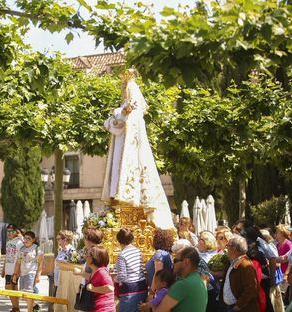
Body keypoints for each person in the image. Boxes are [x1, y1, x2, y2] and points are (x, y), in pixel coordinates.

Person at [101, 68, 174, 229]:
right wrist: (117, 119)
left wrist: (120, 118)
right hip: (119, 148)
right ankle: (117, 199)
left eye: (125, 87)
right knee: (116, 176)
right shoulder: (122, 109)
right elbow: (112, 125)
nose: (123, 90)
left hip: (129, 151)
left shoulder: (133, 111)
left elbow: (121, 125)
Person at [154, 247, 208, 312]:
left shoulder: (183, 284)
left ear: (186, 262)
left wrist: (150, 305)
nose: (173, 264)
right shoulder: (199, 280)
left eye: (175, 261)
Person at [220, 235, 259, 312]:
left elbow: (251, 289)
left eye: (227, 245)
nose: (226, 247)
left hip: (241, 308)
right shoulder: (232, 262)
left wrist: (238, 306)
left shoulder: (245, 265)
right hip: (230, 306)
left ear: (234, 249)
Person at [114, 228, 147, 311]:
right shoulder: (138, 251)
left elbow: (122, 276)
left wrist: (115, 280)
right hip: (142, 287)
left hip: (129, 291)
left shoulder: (122, 255)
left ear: (119, 241)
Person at [12, 231, 44, 312]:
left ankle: (30, 310)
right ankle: (35, 306)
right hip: (23, 274)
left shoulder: (37, 248)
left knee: (29, 294)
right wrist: (15, 274)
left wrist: (38, 276)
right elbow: (18, 262)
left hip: (31, 274)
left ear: (33, 240)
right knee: (23, 295)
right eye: (25, 238)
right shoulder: (22, 248)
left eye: (28, 238)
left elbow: (41, 263)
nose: (26, 240)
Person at [1, 224, 24, 312]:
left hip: (15, 269)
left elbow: (20, 257)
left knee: (12, 288)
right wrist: (3, 269)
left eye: (11, 231)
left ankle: (15, 308)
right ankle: (15, 307)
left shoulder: (19, 242)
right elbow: (7, 257)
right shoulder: (8, 242)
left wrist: (17, 271)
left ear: (16, 232)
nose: (9, 233)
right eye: (8, 231)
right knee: (10, 288)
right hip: (8, 269)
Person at [85, 246, 115, 312]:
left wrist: (93, 289)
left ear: (94, 258)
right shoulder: (95, 271)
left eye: (88, 255)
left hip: (104, 309)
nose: (85, 257)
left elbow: (110, 288)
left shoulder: (102, 272)